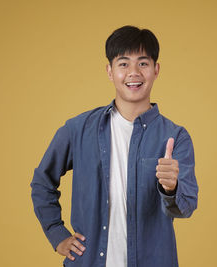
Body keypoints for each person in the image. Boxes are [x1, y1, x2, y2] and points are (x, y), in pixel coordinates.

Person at [30, 25, 199, 267]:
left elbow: (186, 206)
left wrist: (171, 188)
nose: (133, 72)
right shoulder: (78, 129)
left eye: (143, 63)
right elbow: (42, 182)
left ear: (156, 70)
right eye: (123, 64)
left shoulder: (175, 136)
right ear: (110, 71)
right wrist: (58, 235)